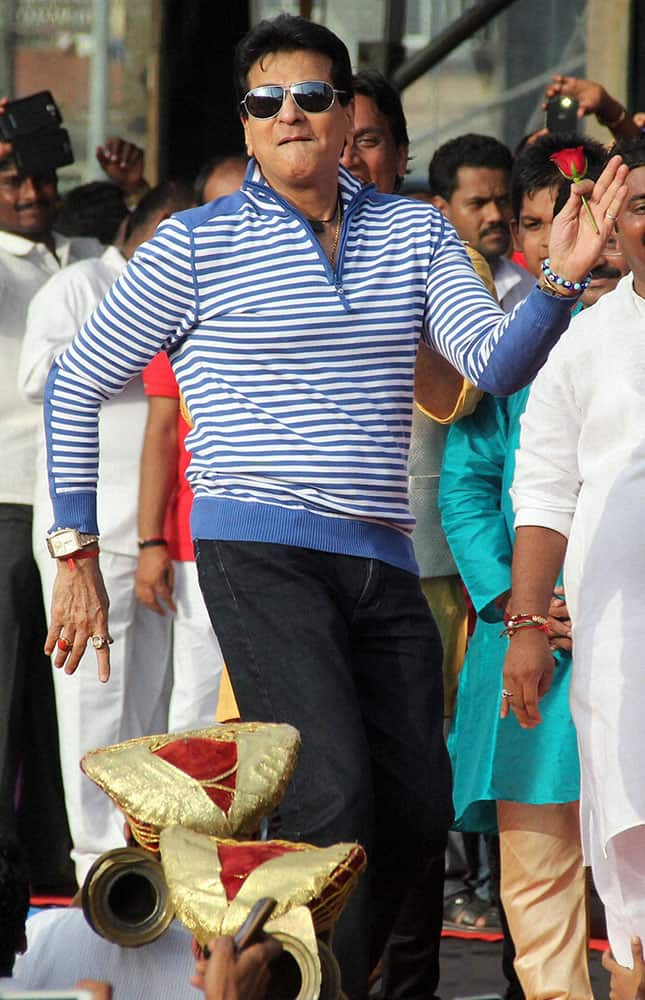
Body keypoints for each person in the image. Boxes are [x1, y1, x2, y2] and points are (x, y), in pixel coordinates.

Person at [41, 14, 626, 998]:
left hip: (383, 554)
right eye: (267, 102)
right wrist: (72, 555)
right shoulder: (195, 245)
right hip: (254, 547)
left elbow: (487, 363)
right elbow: (73, 385)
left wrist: (559, 282)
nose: (291, 116)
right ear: (246, 122)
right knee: (334, 790)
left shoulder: (410, 230)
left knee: (415, 804)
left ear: (349, 110)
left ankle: (310, 979)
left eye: (312, 95)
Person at [441, 132, 629, 1000]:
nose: (580, 234)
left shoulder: (616, 329)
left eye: (595, 212)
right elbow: (470, 493)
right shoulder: (510, 350)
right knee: (538, 881)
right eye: (550, 220)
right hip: (526, 632)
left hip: (620, 627)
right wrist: (521, 601)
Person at [19, 180, 194, 885]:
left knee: (158, 702)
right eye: (171, 239)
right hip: (84, 537)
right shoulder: (79, 284)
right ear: (138, 231)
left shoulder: (198, 295)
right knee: (93, 698)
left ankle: (149, 855)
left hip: (165, 529)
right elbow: (41, 377)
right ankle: (96, 862)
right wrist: (135, 342)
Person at [501, 135, 645, 973]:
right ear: (612, 225)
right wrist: (525, 624)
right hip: (619, 650)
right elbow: (544, 489)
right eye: (639, 204)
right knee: (629, 878)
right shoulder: (587, 340)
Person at [0, 99, 103, 894]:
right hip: (7, 504)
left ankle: (58, 872)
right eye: (11, 177)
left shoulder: (88, 253)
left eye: (41, 174)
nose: (32, 191)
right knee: (6, 697)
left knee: (62, 695)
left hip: (84, 512)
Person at [428, 133, 534, 311]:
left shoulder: (530, 290)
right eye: (478, 203)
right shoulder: (419, 290)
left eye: (503, 201)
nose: (495, 216)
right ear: (441, 209)